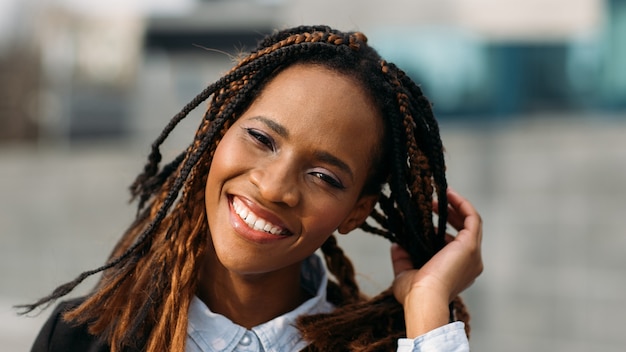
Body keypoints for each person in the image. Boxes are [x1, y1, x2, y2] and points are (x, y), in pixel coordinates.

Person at [20, 25, 483, 351]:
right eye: (262, 139)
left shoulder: (388, 347)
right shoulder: (83, 337)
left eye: (324, 176)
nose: (274, 187)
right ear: (215, 134)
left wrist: (426, 304)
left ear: (355, 212)